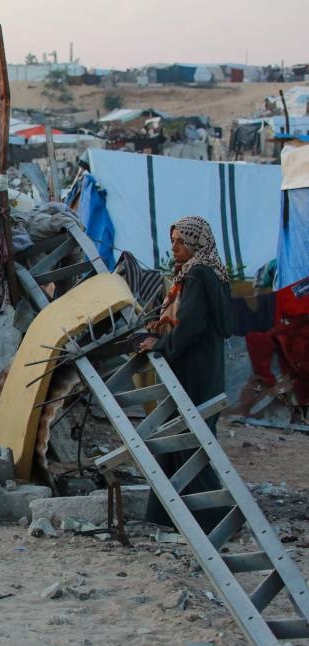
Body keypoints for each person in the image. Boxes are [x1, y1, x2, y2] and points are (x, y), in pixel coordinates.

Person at [137, 215, 231, 530]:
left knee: (189, 438)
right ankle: (170, 516)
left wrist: (160, 345)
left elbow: (190, 324)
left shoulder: (198, 275)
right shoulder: (209, 273)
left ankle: (214, 516)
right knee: (184, 436)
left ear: (195, 243)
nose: (174, 247)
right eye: (173, 240)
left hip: (193, 368)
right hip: (205, 366)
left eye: (181, 241)